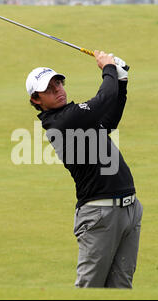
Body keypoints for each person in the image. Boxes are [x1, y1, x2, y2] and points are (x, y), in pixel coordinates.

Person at [25, 51, 143, 288]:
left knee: (121, 288)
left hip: (128, 210)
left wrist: (121, 81)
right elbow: (104, 99)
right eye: (48, 88)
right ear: (36, 100)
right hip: (99, 215)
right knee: (90, 291)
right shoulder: (61, 121)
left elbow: (109, 119)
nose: (57, 89)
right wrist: (108, 68)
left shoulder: (75, 116)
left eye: (58, 83)